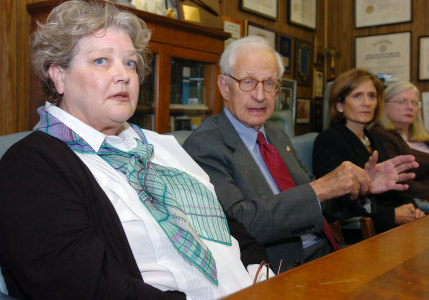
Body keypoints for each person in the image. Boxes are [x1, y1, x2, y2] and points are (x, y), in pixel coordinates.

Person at [0, 1, 270, 299]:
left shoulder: (160, 144)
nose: (124, 75)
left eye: (129, 63)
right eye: (101, 61)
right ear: (58, 76)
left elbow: (223, 221)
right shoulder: (29, 169)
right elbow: (88, 288)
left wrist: (262, 271)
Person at [182, 36, 418, 272]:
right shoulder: (205, 144)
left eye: (269, 84)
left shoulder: (277, 137)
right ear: (224, 86)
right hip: (280, 267)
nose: (260, 95)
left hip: (329, 252)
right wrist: (321, 188)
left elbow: (319, 205)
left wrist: (360, 185)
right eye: (248, 82)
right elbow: (237, 224)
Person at [313, 69, 425, 237]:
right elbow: (334, 204)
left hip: (396, 227)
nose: (367, 103)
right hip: (366, 233)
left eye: (372, 96)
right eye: (357, 96)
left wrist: (411, 207)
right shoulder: (329, 140)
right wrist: (392, 216)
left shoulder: (371, 136)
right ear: (339, 105)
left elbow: (396, 181)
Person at [371, 81, 429, 204]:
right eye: (402, 101)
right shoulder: (381, 135)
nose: (410, 107)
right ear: (384, 105)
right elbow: (401, 181)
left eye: (414, 103)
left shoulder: (423, 137)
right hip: (415, 203)